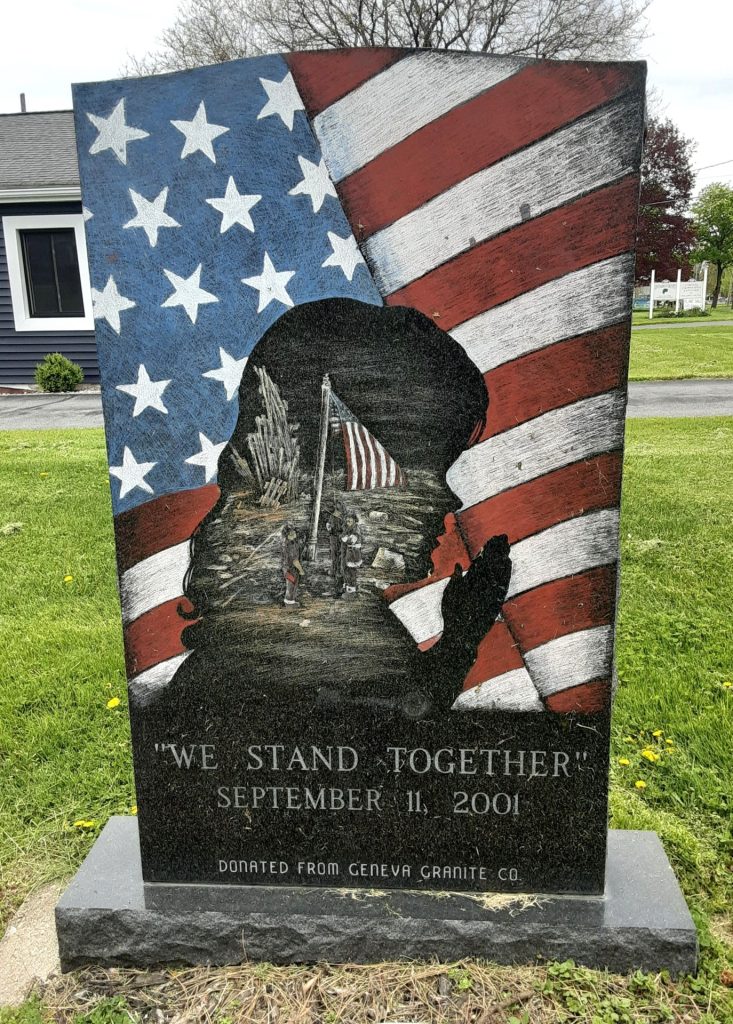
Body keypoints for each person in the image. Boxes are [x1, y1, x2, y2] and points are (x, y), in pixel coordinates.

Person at [340, 511, 363, 597]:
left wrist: (344, 538)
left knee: (351, 571)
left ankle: (351, 591)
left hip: (353, 554)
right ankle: (346, 587)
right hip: (348, 553)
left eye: (350, 521)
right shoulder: (348, 529)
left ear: (354, 521)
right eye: (347, 521)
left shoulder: (356, 530)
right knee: (346, 570)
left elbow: (350, 540)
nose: (348, 522)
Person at [280, 523, 304, 606]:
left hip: (286, 568)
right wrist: (301, 570)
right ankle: (289, 603)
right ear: (288, 535)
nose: (294, 534)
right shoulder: (291, 546)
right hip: (291, 569)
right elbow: (295, 560)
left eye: (294, 532)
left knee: (291, 584)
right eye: (292, 533)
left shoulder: (288, 543)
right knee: (291, 585)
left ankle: (291, 601)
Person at [325, 501, 345, 589]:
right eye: (335, 509)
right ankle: (333, 570)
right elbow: (329, 524)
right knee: (333, 554)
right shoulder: (332, 516)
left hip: (340, 538)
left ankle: (339, 572)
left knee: (340, 555)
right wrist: (329, 526)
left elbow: (345, 528)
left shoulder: (344, 517)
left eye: (338, 509)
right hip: (333, 537)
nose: (336, 510)